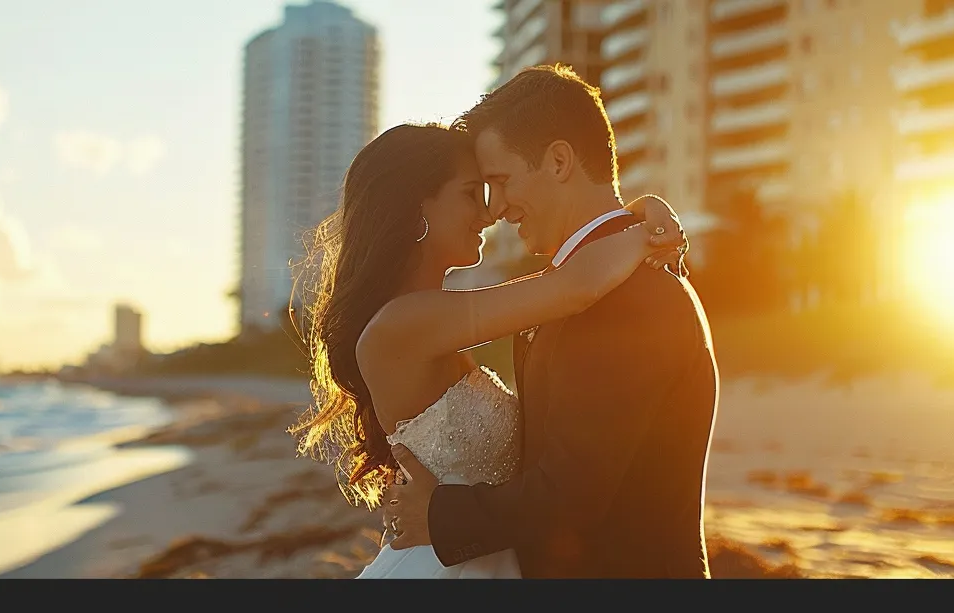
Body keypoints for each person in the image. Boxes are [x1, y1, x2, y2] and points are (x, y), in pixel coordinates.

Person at [290, 120, 688, 579]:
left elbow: (560, 287)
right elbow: (574, 287)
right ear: (418, 204)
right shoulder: (401, 324)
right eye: (471, 195)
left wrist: (639, 210)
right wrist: (645, 232)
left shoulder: (434, 318)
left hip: (480, 556)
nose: (489, 215)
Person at [380, 64, 720, 579]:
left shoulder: (626, 297)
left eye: (501, 181)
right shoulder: (578, 286)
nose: (496, 210)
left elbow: (573, 491)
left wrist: (441, 515)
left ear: (559, 161)